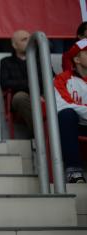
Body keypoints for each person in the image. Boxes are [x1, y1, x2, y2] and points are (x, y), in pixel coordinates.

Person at [54, 38, 87, 183]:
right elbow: (62, 105)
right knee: (66, 115)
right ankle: (74, 171)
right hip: (76, 126)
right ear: (77, 59)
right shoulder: (62, 79)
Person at [0, 30, 35, 137]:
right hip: (21, 98)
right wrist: (30, 84)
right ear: (14, 45)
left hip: (41, 96)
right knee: (20, 97)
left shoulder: (40, 59)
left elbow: (51, 79)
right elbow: (5, 83)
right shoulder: (6, 62)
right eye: (24, 40)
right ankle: (41, 134)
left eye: (30, 39)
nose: (29, 42)